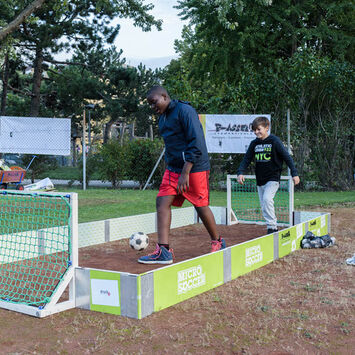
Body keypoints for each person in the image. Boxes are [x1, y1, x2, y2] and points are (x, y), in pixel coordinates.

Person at [138, 86, 225, 264]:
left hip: (195, 167)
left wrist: (186, 171)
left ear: (164, 96)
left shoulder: (185, 111)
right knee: (162, 202)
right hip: (174, 169)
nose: (152, 107)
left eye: (154, 102)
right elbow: (171, 146)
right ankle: (164, 251)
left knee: (200, 205)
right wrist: (171, 167)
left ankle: (218, 241)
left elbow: (197, 141)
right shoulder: (162, 119)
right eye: (150, 105)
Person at [236, 116, 300, 234]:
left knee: (267, 199)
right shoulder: (254, 143)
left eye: (259, 129)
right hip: (260, 179)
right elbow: (246, 159)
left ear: (267, 128)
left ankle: (272, 227)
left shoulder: (274, 141)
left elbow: (287, 157)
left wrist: (294, 173)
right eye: (254, 130)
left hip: (273, 178)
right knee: (264, 205)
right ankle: (270, 226)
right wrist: (240, 172)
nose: (256, 132)